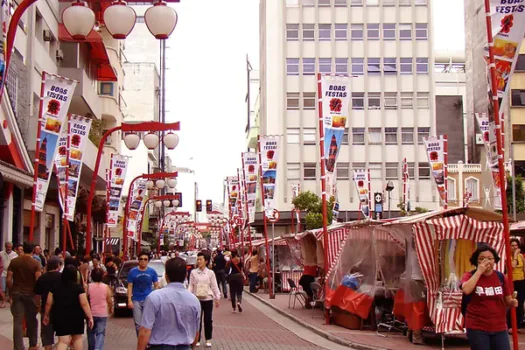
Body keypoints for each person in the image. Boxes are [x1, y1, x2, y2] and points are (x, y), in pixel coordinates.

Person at [460, 245, 518, 349]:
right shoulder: (469, 275)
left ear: (495, 260)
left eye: (490, 258)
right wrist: (479, 271)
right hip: (477, 326)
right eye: (482, 259)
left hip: (499, 326)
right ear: (476, 261)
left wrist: (512, 302)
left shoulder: (500, 276)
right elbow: (466, 290)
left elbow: (507, 299)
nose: (486, 261)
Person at [137, 257, 200, 350]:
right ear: (186, 275)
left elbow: (145, 330)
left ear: (166, 276)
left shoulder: (154, 297)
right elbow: (196, 332)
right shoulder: (194, 300)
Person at [43, 265, 94, 350]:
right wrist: (90, 317)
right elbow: (84, 304)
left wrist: (46, 315)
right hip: (76, 316)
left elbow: (48, 303)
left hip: (60, 315)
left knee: (63, 341)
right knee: (77, 338)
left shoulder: (55, 287)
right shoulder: (79, 288)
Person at [7, 243, 42, 350]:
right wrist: (38, 299)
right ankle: (32, 344)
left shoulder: (14, 262)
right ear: (32, 251)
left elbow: (8, 279)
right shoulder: (36, 263)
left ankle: (18, 347)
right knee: (31, 320)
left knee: (17, 321)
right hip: (30, 294)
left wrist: (11, 292)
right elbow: (38, 281)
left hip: (17, 293)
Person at [188, 252, 220, 348]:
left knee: (208, 319)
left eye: (200, 259)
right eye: (198, 259)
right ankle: (197, 339)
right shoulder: (193, 272)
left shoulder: (211, 273)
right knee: (197, 320)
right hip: (196, 299)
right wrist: (188, 295)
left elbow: (214, 286)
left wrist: (217, 297)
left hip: (208, 299)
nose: (198, 261)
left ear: (206, 261)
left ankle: (208, 339)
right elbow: (191, 285)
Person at [128, 251, 159, 335]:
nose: (143, 261)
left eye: (145, 259)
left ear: (148, 261)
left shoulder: (152, 272)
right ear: (138, 260)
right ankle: (141, 342)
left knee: (148, 323)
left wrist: (156, 298)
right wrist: (129, 300)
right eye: (141, 259)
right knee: (138, 324)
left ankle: (148, 342)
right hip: (136, 300)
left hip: (148, 300)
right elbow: (130, 286)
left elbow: (156, 285)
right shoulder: (132, 272)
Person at [34, 257, 62, 350]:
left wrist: (38, 306)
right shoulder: (62, 277)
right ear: (58, 265)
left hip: (46, 310)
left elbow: (37, 294)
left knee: (47, 337)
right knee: (62, 337)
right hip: (61, 309)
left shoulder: (42, 278)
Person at [87, 268, 113, 350]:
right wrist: (110, 309)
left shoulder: (88, 287)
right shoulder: (106, 287)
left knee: (91, 333)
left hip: (90, 313)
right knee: (100, 333)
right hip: (102, 313)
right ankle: (98, 348)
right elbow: (109, 300)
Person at [509, 238, 525, 334]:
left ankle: (518, 325)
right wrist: (515, 255)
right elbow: (512, 266)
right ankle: (510, 325)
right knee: (511, 303)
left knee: (520, 303)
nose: (515, 247)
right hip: (512, 281)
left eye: (516, 246)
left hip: (521, 281)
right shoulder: (508, 256)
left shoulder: (521, 256)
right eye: (513, 245)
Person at [1, 242, 18, 308]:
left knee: (10, 288)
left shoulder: (15, 254)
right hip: (3, 272)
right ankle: (3, 301)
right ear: (5, 247)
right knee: (2, 288)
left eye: (10, 247)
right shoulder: (1, 253)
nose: (9, 248)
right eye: (7, 247)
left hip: (11, 273)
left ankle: (11, 299)